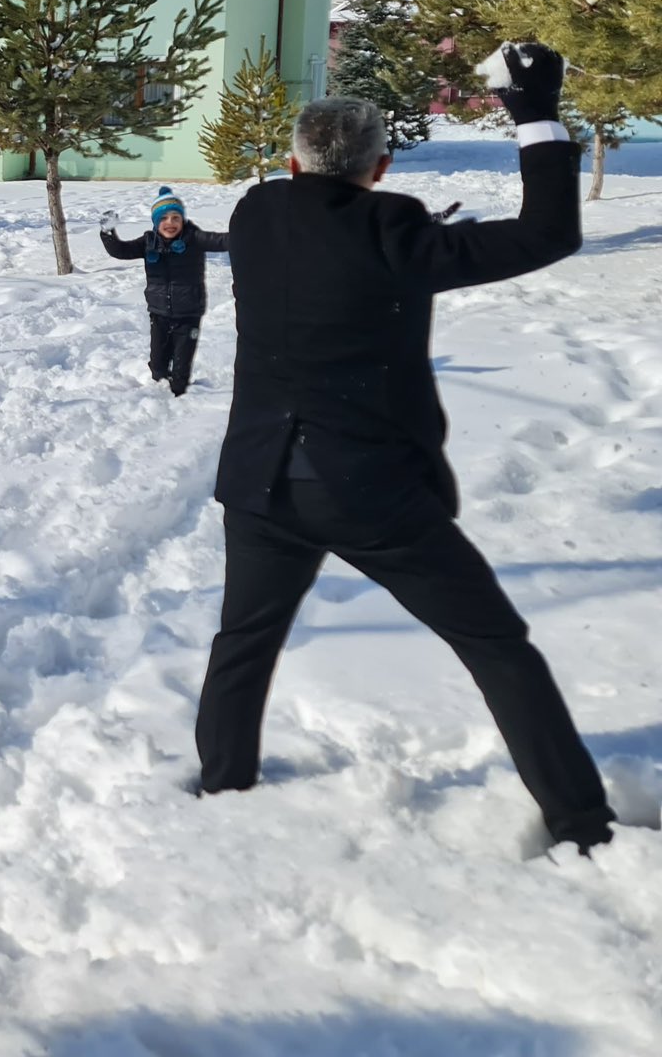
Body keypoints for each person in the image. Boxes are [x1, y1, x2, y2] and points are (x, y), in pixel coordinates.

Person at [196, 42, 615, 852]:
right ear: (381, 168)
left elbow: (319, 229)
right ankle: (581, 824)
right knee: (496, 645)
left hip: (259, 482)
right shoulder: (395, 230)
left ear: (292, 162)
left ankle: (222, 787)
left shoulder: (256, 214)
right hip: (369, 492)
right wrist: (535, 116)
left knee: (242, 643)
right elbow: (547, 234)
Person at [99, 187, 230, 396]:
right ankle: (160, 392)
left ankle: (181, 400)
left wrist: (249, 231)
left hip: (189, 315)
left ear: (183, 220)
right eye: (164, 218)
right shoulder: (148, 242)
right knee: (158, 367)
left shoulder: (194, 238)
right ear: (155, 221)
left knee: (181, 370)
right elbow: (120, 251)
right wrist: (108, 232)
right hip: (159, 314)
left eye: (176, 217)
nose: (170, 222)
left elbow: (223, 241)